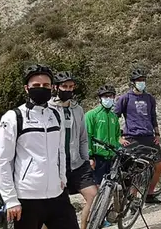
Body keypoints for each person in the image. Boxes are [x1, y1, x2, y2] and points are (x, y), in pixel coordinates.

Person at [0, 64, 79, 229]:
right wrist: (10, 200)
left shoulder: (56, 115)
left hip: (57, 195)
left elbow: (60, 150)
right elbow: (3, 161)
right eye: (36, 85)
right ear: (26, 88)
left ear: (52, 88)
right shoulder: (13, 117)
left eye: (46, 85)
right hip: (27, 198)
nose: (42, 88)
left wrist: (62, 178)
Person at [49, 71, 97, 229]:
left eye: (71, 87)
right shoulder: (47, 108)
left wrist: (86, 159)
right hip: (56, 166)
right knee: (50, 208)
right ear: (56, 87)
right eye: (64, 86)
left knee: (94, 197)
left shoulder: (78, 109)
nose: (68, 90)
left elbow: (83, 138)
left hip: (77, 164)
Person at [114, 67, 161, 205]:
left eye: (143, 80)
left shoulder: (150, 98)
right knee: (134, 170)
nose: (141, 82)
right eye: (139, 80)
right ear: (133, 82)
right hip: (132, 137)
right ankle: (132, 199)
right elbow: (114, 118)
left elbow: (153, 117)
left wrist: (157, 133)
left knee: (159, 166)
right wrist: (118, 137)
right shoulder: (125, 98)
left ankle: (150, 194)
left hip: (148, 136)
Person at [85, 84, 121, 185]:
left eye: (111, 96)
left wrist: (119, 150)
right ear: (100, 98)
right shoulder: (91, 115)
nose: (108, 99)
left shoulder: (114, 117)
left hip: (112, 159)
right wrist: (90, 157)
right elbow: (86, 136)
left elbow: (117, 136)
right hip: (97, 158)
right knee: (97, 188)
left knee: (112, 187)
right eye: (105, 96)